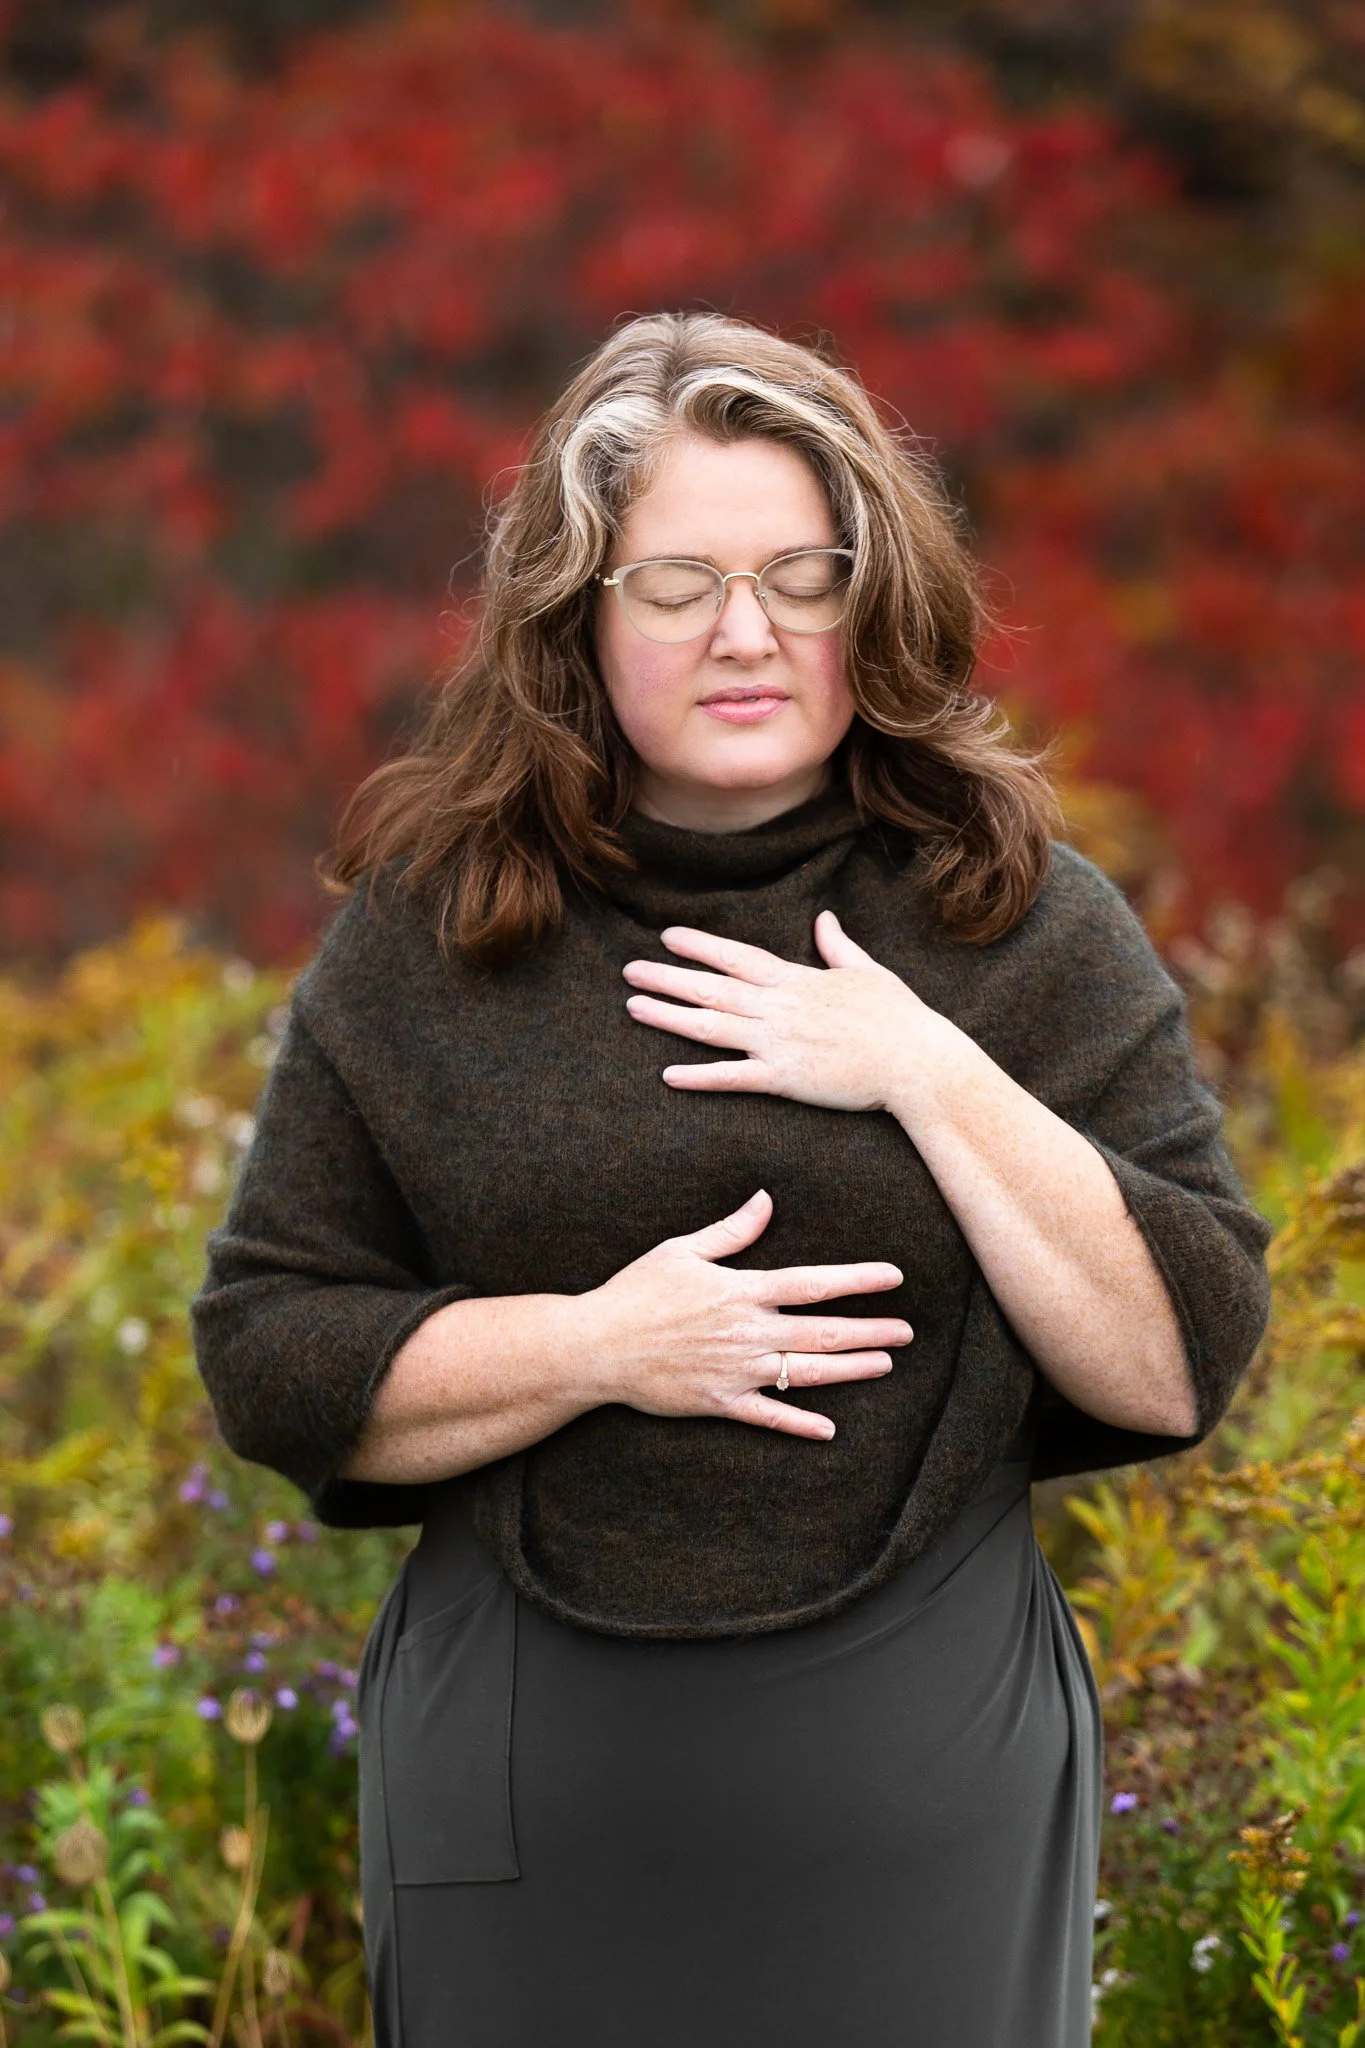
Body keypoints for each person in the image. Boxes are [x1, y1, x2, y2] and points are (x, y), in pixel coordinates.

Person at [190, 311, 1273, 2048]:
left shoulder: (1019, 919)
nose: (747, 633)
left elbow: (1175, 1358)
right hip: (531, 1805)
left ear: (875, 596)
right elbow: (270, 1351)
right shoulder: (436, 934)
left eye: (799, 573)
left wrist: (924, 1068)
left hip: (923, 1814)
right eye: (676, 582)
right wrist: (605, 1347)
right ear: (580, 620)